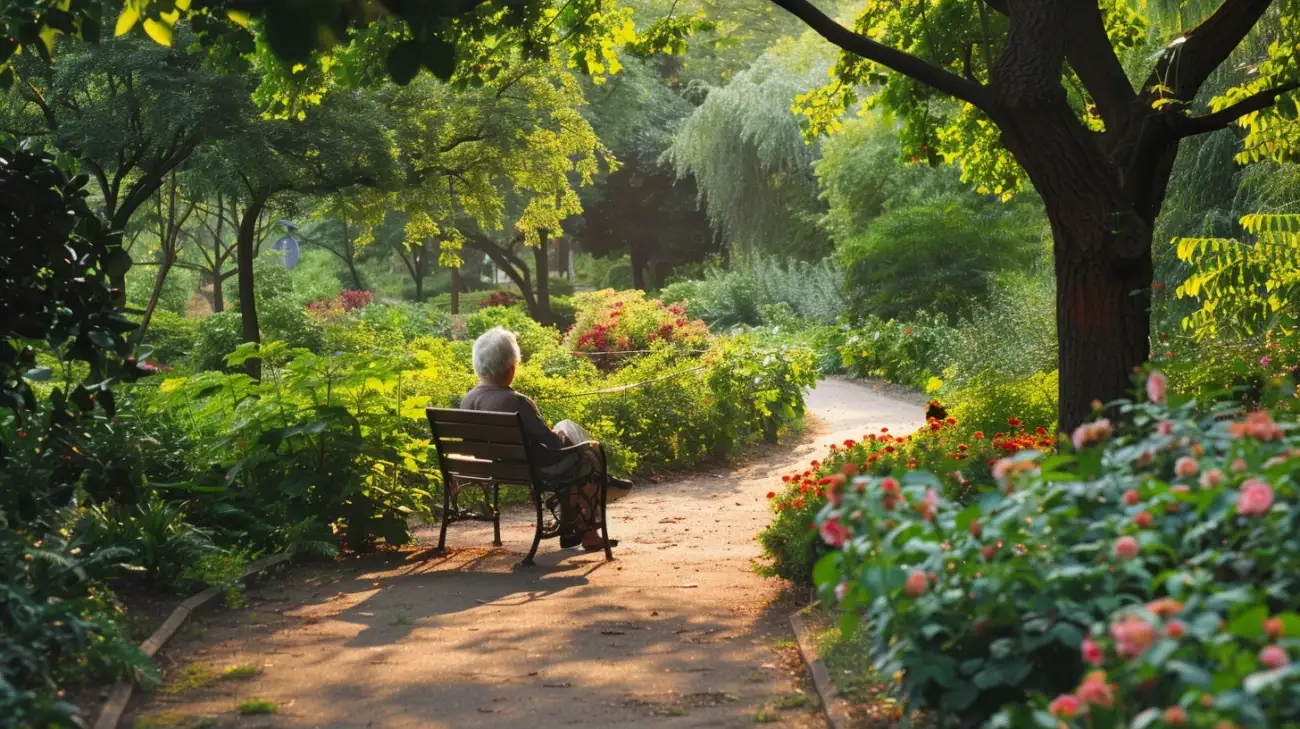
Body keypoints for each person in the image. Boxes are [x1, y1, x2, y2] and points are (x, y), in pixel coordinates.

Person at [461, 327, 632, 550]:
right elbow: (553, 445)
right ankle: (599, 493)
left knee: (570, 436)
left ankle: (581, 515)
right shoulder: (516, 402)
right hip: (535, 469)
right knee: (586, 457)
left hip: (498, 467)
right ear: (512, 366)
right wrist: (560, 436)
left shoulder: (467, 400)